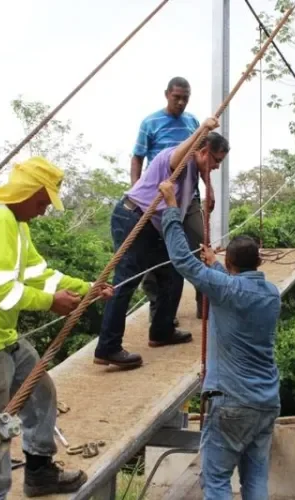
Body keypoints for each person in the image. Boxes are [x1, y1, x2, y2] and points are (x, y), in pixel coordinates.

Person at [0, 157, 115, 499]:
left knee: (40, 391)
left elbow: (39, 274)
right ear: (26, 192)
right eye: (42, 202)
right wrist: (51, 302)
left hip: (0, 337)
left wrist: (86, 287)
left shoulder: (17, 224)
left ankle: (39, 472)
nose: (44, 211)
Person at [157, 178, 282, 500]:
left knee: (216, 482)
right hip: (266, 402)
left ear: (230, 264)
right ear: (259, 262)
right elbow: (235, 287)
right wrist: (215, 263)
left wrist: (171, 207)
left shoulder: (227, 288)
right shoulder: (271, 293)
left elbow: (183, 261)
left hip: (231, 402)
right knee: (255, 482)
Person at [94, 118, 228, 368]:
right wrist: (203, 129)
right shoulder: (179, 159)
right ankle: (107, 347)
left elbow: (200, 170)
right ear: (202, 151)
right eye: (216, 161)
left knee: (174, 272)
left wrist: (209, 186)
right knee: (126, 280)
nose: (217, 167)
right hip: (134, 217)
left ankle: (161, 330)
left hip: (151, 225)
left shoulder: (195, 171)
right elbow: (182, 156)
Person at [131, 76, 213, 327]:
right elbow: (137, 158)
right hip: (160, 198)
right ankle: (163, 314)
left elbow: (203, 158)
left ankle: (205, 302)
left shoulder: (192, 122)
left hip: (189, 197)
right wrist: (136, 191)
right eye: (176, 97)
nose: (180, 102)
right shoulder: (150, 122)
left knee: (202, 244)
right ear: (166, 94)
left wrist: (209, 188)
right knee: (158, 256)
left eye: (185, 98)